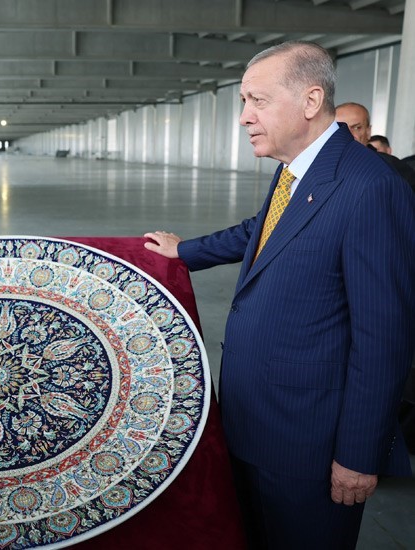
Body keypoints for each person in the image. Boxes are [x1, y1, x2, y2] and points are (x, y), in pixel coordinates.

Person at [145, 42, 415, 548]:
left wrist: (358, 455)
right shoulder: (297, 168)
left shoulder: (370, 187)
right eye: (243, 101)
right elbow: (262, 229)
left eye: (258, 101)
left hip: (309, 445)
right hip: (254, 424)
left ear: (311, 101)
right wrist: (186, 252)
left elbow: (383, 340)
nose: (244, 117)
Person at [335, 102, 415, 191]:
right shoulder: (323, 164)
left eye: (357, 128)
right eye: (340, 128)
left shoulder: (392, 167)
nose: (349, 134)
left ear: (368, 132)